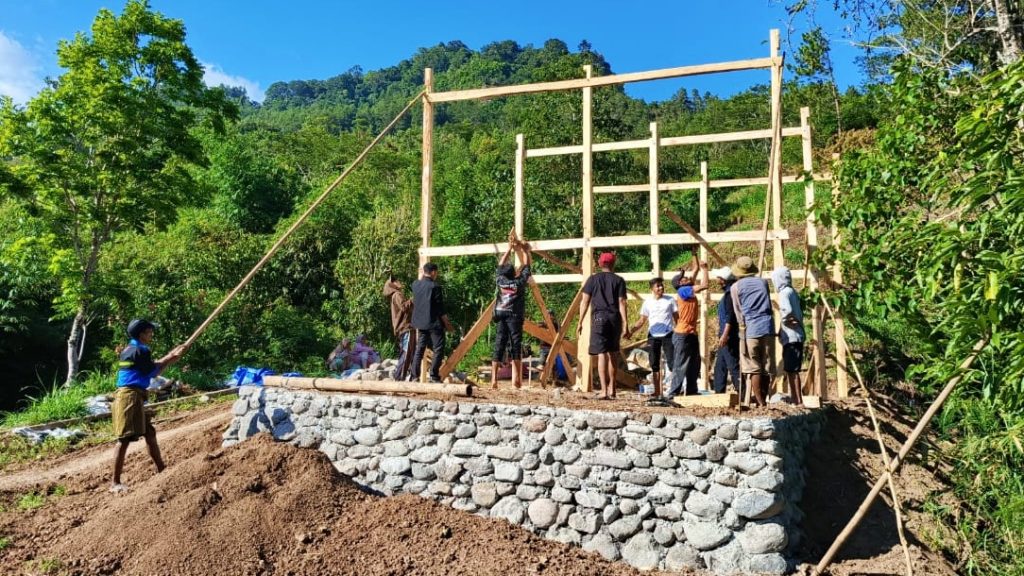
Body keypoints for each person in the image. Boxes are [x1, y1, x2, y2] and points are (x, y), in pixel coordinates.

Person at [110, 319, 184, 493]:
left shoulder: (132, 349)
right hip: (129, 396)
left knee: (149, 432)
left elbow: (152, 369)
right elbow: (153, 371)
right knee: (124, 439)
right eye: (149, 331)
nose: (152, 334)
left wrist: (170, 357)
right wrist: (171, 357)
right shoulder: (140, 350)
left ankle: (162, 469)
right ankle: (115, 483)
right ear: (141, 334)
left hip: (134, 395)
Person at [577, 252, 627, 399]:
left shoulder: (593, 279)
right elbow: (622, 302)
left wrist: (580, 321)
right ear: (613, 264)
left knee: (601, 354)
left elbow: (585, 301)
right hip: (614, 318)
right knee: (613, 352)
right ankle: (613, 388)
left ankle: (604, 390)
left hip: (599, 318)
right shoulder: (619, 280)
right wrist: (625, 323)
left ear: (600, 263)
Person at [730, 256, 776, 406]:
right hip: (767, 327)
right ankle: (764, 399)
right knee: (766, 366)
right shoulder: (763, 282)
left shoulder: (735, 287)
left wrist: (741, 330)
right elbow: (768, 303)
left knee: (753, 367)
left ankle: (760, 402)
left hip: (750, 329)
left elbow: (738, 312)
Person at [491, 234, 532, 389]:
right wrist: (525, 251)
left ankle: (494, 380)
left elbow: (500, 265)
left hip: (501, 313)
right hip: (514, 316)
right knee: (516, 345)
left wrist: (509, 249)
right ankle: (517, 380)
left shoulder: (500, 280)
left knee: (499, 345)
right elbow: (526, 266)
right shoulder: (519, 283)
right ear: (514, 273)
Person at [626, 277, 677, 397]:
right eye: (657, 286)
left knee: (672, 362)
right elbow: (642, 320)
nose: (661, 288)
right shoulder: (647, 302)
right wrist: (631, 332)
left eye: (661, 285)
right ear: (652, 289)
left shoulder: (670, 300)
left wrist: (680, 331)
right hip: (653, 335)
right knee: (654, 363)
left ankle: (674, 389)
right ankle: (657, 391)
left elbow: (676, 317)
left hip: (668, 334)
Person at [668, 253, 709, 399]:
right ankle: (673, 393)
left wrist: (694, 253)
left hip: (690, 333)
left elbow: (695, 269)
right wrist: (705, 270)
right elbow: (704, 285)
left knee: (694, 363)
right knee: (680, 364)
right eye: (684, 278)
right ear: (679, 283)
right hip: (683, 334)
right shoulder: (683, 291)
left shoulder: (686, 287)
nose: (687, 279)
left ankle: (691, 391)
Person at [411, 262, 455, 383]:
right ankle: (434, 376)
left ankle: (414, 376)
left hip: (420, 323)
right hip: (434, 323)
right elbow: (440, 310)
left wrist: (421, 274)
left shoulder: (415, 285)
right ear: (434, 272)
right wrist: (448, 324)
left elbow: (420, 281)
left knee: (419, 349)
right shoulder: (435, 287)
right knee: (438, 348)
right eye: (436, 273)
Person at [772, 266, 805, 406]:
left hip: (792, 337)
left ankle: (797, 400)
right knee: (793, 370)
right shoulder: (792, 292)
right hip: (797, 336)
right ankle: (797, 399)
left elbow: (787, 311)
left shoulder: (784, 293)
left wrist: (786, 321)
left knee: (792, 370)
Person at [711, 266, 742, 395]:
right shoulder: (729, 293)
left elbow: (730, 317)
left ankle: (742, 393)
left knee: (733, 365)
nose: (716, 279)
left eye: (718, 277)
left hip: (728, 335)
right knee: (720, 366)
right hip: (726, 334)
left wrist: (725, 335)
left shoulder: (730, 295)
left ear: (723, 280)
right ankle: (719, 393)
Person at [384, 274, 415, 380]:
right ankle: (398, 377)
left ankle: (403, 376)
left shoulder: (395, 295)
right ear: (392, 285)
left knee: (408, 353)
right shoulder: (397, 294)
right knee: (406, 353)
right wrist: (414, 299)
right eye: (396, 281)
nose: (399, 282)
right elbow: (404, 307)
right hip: (405, 327)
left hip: (404, 328)